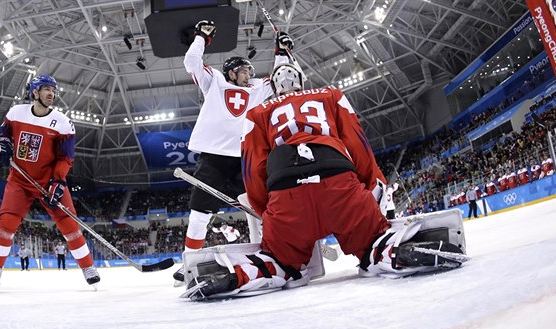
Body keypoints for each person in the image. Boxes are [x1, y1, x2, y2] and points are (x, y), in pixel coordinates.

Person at [180, 63, 466, 300]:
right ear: (301, 81)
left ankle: (241, 274)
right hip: (339, 184)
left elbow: (254, 170)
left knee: (280, 262)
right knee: (371, 243)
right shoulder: (331, 95)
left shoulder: (257, 113)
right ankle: (390, 251)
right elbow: (357, 143)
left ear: (275, 87)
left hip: (287, 195)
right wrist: (370, 186)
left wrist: (269, 210)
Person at [174, 20, 292, 283]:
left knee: (262, 203)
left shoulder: (257, 90)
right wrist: (201, 37)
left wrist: (281, 52)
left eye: (249, 71)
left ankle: (274, 247)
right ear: (231, 72)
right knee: (199, 212)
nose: (248, 75)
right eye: (243, 71)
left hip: (244, 157)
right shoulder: (214, 81)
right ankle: (190, 261)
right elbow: (192, 62)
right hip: (213, 157)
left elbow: (282, 78)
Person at [0, 74, 99, 288]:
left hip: (49, 182)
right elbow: (1, 134)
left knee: (70, 226)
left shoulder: (63, 123)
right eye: (46, 89)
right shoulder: (16, 113)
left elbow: (66, 158)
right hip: (19, 180)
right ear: (34, 92)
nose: (51, 94)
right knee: (6, 223)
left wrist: (58, 181)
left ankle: (87, 267)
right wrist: (0, 144)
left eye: (53, 90)